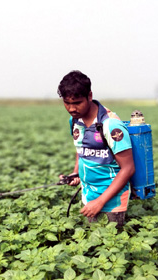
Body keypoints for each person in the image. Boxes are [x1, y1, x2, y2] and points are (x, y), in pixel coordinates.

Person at [58, 70, 135, 228]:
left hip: (111, 202)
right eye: (67, 103)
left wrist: (100, 201)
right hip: (88, 197)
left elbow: (128, 168)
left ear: (90, 96)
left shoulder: (110, 125)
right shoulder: (75, 121)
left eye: (77, 102)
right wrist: (76, 173)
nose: (71, 108)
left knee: (108, 246)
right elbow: (82, 149)